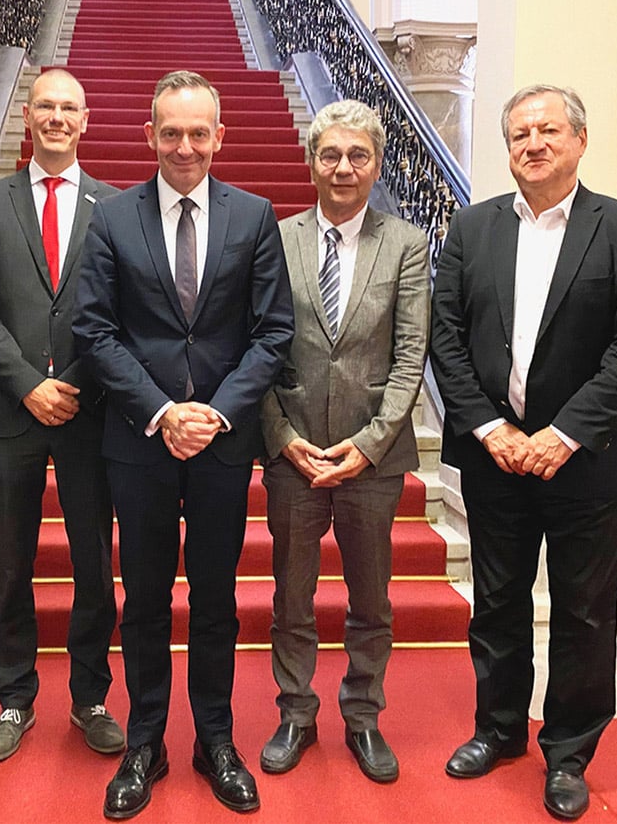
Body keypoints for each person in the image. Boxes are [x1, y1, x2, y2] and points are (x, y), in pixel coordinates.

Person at [429, 84, 617, 820]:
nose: (533, 143)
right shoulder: (472, 227)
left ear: (580, 140)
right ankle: (498, 730)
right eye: (520, 134)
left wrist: (561, 435)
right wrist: (488, 428)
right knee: (497, 605)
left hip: (588, 463)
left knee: (584, 616)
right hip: (496, 460)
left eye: (549, 130)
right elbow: (446, 338)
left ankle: (569, 753)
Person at [73, 70, 294, 819]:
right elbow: (94, 330)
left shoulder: (253, 216)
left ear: (220, 136)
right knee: (142, 600)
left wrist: (216, 414)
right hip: (140, 443)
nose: (185, 146)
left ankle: (215, 740)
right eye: (171, 132)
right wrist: (164, 411)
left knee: (216, 599)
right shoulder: (112, 218)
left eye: (199, 132)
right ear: (150, 136)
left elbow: (272, 333)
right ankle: (144, 743)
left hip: (222, 446)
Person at [258, 100, 429, 784]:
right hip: (293, 455)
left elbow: (411, 355)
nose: (343, 167)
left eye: (358, 155)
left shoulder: (407, 244)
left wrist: (370, 442)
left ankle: (362, 717)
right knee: (291, 598)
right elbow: (256, 346)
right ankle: (295, 714)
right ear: (311, 162)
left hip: (373, 461)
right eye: (330, 154)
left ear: (377, 164)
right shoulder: (276, 239)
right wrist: (281, 436)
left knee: (371, 600)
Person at [0, 68, 123, 763]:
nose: (57, 117)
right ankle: (14, 698)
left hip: (90, 413)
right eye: (46, 106)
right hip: (8, 411)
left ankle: (90, 697)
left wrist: (72, 382)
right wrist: (29, 384)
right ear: (28, 118)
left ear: (85, 121)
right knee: (11, 563)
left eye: (69, 108)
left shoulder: (114, 208)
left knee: (93, 563)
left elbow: (120, 310)